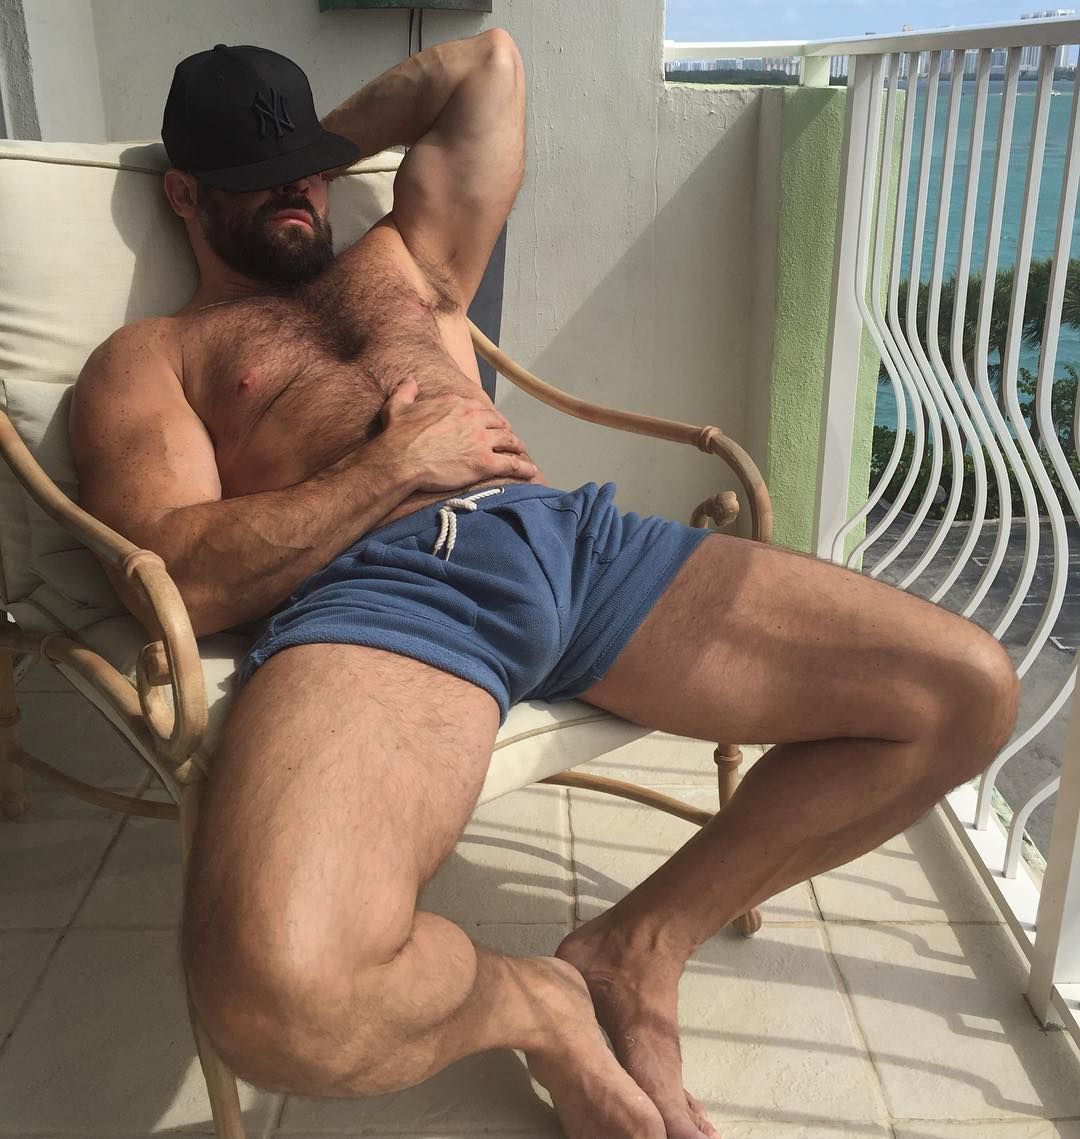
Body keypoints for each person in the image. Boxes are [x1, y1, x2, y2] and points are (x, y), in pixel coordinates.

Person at [69, 34, 1020, 1139]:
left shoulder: (403, 255)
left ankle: (639, 947)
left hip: (573, 543)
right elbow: (172, 572)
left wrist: (307, 140)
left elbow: (486, 67)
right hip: (388, 598)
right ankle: (539, 1005)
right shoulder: (155, 355)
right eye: (256, 177)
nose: (298, 193)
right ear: (184, 193)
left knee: (965, 692)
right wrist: (387, 468)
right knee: (277, 996)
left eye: (311, 171)